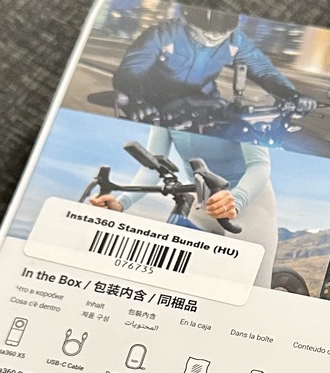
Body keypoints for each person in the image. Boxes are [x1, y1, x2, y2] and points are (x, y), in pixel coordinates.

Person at [87, 124, 279, 289]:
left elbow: (259, 165)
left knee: (253, 290)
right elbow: (151, 169)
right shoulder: (165, 112)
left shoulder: (240, 111)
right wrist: (121, 203)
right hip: (201, 199)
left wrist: (236, 200)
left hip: (250, 201)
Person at [111, 5, 317, 140]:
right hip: (159, 107)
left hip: (209, 105)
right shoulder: (161, 35)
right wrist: (136, 100)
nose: (213, 36)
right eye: (203, 30)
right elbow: (131, 70)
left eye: (222, 32)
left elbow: (264, 71)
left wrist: (291, 95)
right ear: (186, 19)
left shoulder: (236, 41)